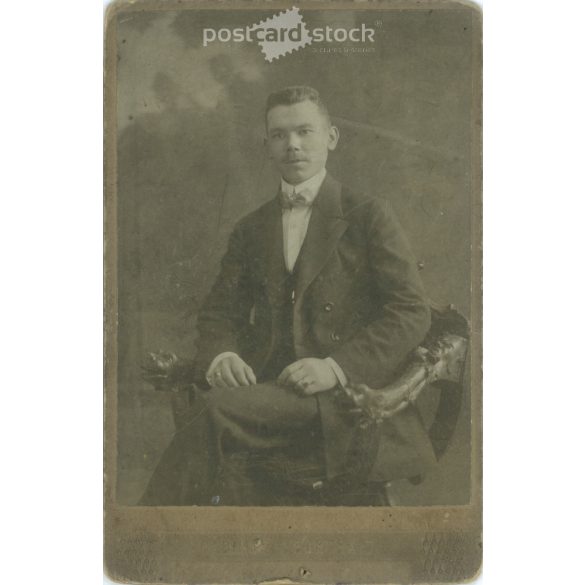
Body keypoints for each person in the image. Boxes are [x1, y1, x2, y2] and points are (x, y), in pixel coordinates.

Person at [140, 86, 437, 506]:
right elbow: (218, 313)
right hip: (273, 389)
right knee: (213, 412)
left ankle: (150, 536)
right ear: (266, 145)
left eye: (304, 131)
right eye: (279, 135)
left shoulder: (368, 214)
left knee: (215, 415)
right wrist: (222, 354)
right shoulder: (251, 227)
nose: (292, 145)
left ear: (331, 137)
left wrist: (335, 368)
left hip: (345, 401)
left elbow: (410, 312)